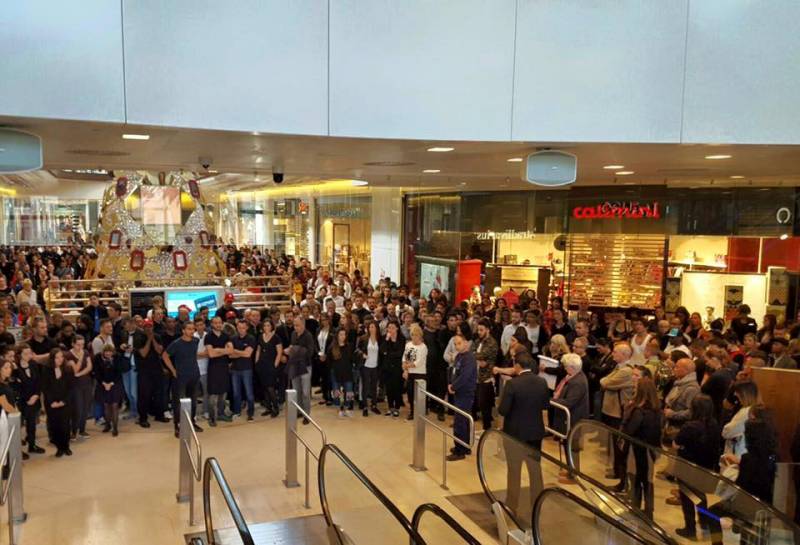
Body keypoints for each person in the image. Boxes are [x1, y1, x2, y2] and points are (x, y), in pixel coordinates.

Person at [498, 351, 549, 517]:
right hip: (535, 432)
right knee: (535, 469)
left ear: (517, 366)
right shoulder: (542, 382)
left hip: (515, 434)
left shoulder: (512, 385)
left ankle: (512, 504)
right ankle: (537, 503)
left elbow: (503, 410)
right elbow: (544, 405)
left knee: (514, 470)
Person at [673, 395, 722, 541]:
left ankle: (690, 529)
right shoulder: (714, 424)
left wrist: (682, 447)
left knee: (687, 498)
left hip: (687, 468)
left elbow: (675, 444)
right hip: (707, 469)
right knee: (705, 500)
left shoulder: (690, 427)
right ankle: (708, 527)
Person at [621, 376, 662, 518]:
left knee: (636, 479)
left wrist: (627, 411)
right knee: (648, 481)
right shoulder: (658, 410)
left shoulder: (638, 411)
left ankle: (636, 507)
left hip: (638, 449)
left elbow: (629, 430)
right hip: (652, 450)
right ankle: (649, 510)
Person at [599, 342, 635, 481]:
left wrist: (605, 381)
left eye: (615, 352)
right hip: (611, 410)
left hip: (617, 412)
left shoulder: (626, 371)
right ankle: (616, 469)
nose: (612, 354)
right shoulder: (619, 368)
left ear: (625, 355)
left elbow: (605, 382)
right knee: (613, 443)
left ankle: (619, 472)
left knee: (618, 444)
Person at [552, 353, 589, 482]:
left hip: (574, 419)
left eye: (565, 366)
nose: (564, 368)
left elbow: (569, 402)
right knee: (567, 445)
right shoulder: (572, 377)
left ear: (572, 367)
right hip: (569, 419)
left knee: (572, 447)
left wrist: (551, 401)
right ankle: (570, 470)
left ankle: (574, 475)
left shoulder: (577, 382)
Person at [162, 321, 203, 437]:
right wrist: (173, 370)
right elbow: (165, 355)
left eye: (192, 329)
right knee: (178, 403)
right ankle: (178, 426)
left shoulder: (196, 341)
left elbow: (193, 355)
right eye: (189, 329)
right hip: (180, 377)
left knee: (193, 401)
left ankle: (192, 422)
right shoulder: (176, 343)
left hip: (194, 374)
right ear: (183, 330)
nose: (191, 331)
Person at [446, 334, 477, 461]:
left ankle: (460, 450)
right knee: (462, 420)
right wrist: (450, 384)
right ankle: (464, 446)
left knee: (460, 422)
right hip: (458, 391)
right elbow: (454, 371)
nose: (457, 346)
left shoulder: (469, 358)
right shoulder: (459, 356)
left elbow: (464, 377)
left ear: (466, 343)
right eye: (455, 344)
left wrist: (453, 387)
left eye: (459, 343)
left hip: (465, 392)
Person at [134, 319, 168, 428]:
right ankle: (142, 418)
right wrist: (148, 340)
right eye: (146, 327)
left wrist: (153, 339)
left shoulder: (157, 337)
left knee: (159, 394)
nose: (149, 329)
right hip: (144, 371)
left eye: (150, 326)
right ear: (143, 327)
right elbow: (143, 353)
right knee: (144, 395)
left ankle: (159, 415)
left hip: (157, 369)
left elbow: (159, 351)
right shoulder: (138, 338)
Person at [14, 343, 45, 453]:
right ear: (19, 355)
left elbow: (38, 381)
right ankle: (18, 451)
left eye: (30, 353)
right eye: (25, 353)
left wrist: (36, 395)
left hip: (34, 399)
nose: (28, 356)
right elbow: (17, 387)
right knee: (18, 425)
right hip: (21, 401)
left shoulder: (33, 364)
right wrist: (27, 398)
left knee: (32, 425)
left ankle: (32, 445)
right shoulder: (15, 368)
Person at [42, 348, 73, 457]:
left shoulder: (68, 369)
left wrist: (63, 401)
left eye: (61, 357)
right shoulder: (46, 370)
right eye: (57, 357)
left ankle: (66, 446)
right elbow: (45, 388)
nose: (60, 359)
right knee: (55, 426)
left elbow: (70, 388)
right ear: (52, 359)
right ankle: (59, 447)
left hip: (65, 402)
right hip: (51, 403)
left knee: (65, 425)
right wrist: (52, 402)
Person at [204, 316, 233, 426]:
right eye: (216, 323)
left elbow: (230, 351)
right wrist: (224, 350)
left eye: (220, 323)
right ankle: (212, 418)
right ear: (212, 324)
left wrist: (218, 350)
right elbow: (211, 354)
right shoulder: (209, 337)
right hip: (213, 368)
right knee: (213, 394)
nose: (218, 325)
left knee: (223, 393)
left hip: (224, 367)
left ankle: (221, 414)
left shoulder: (226, 336)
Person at [663, 358, 700, 443]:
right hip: (670, 424)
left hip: (678, 429)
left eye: (677, 367)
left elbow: (691, 412)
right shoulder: (679, 383)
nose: (674, 369)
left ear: (686, 370)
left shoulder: (691, 389)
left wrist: (673, 414)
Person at [287, 316, 315, 424]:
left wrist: (294, 349)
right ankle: (299, 411)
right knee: (296, 390)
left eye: (297, 325)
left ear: (303, 325)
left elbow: (310, 352)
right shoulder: (293, 334)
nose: (295, 327)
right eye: (294, 325)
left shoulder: (308, 336)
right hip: (295, 365)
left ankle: (306, 415)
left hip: (305, 366)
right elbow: (292, 347)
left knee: (305, 392)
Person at [65, 335, 93, 439]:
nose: (80, 347)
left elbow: (89, 367)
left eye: (82, 344)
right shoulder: (68, 355)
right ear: (72, 344)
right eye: (78, 345)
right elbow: (75, 370)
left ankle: (82, 430)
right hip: (75, 386)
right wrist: (80, 358)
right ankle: (73, 430)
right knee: (78, 408)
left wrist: (80, 374)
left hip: (86, 383)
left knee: (86, 408)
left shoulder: (85, 352)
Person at [722, 381, 759, 457]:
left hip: (738, 454)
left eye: (738, 392)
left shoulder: (746, 412)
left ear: (745, 394)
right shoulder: (757, 409)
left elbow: (726, 432)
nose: (735, 394)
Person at [254, 319, 283, 418]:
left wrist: (275, 365)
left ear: (272, 326)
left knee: (270, 388)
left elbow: (279, 352)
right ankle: (268, 408)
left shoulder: (276, 337)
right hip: (261, 365)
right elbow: (258, 350)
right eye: (265, 325)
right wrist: (256, 362)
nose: (266, 327)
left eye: (268, 325)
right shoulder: (260, 336)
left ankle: (275, 408)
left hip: (271, 365)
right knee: (265, 388)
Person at [94, 344, 124, 436]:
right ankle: (107, 425)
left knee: (114, 405)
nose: (108, 353)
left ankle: (115, 428)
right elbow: (97, 372)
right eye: (106, 352)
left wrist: (111, 384)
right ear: (103, 352)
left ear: (113, 352)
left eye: (110, 352)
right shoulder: (97, 358)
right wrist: (104, 383)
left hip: (115, 384)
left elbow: (119, 372)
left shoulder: (117, 357)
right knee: (106, 405)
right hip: (103, 384)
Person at [474, 318, 498, 431]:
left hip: (486, 378)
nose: (479, 332)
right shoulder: (478, 341)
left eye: (481, 330)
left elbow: (482, 355)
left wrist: (479, 358)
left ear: (487, 330)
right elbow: (471, 351)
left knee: (485, 405)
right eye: (478, 330)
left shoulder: (492, 343)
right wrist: (479, 359)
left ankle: (487, 428)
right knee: (478, 403)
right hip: (476, 376)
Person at [229, 320, 256, 421]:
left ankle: (251, 413)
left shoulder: (251, 338)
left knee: (249, 393)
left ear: (247, 328)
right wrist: (242, 353)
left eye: (243, 328)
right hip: (235, 369)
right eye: (239, 328)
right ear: (236, 328)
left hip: (246, 369)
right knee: (236, 393)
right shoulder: (232, 338)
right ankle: (237, 411)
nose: (241, 330)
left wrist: (235, 351)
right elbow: (230, 354)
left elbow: (248, 354)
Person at [403, 324, 428, 420]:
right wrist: (405, 369)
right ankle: (412, 412)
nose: (414, 337)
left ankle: (420, 413)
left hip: (420, 373)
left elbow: (419, 362)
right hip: (410, 373)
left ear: (420, 336)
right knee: (410, 394)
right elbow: (405, 357)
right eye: (412, 335)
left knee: (419, 395)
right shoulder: (408, 345)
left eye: (416, 335)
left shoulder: (423, 347)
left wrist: (408, 366)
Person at [380, 321, 405, 417]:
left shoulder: (401, 339)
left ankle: (397, 408)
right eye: (389, 327)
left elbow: (400, 353)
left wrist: (389, 354)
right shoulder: (385, 338)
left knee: (397, 388)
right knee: (389, 388)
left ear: (397, 328)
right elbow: (382, 351)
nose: (390, 329)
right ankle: (390, 407)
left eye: (392, 327)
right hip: (387, 367)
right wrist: (387, 339)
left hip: (398, 368)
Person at [329, 328, 355, 417]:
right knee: (336, 390)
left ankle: (347, 407)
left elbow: (352, 359)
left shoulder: (350, 346)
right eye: (341, 334)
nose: (342, 336)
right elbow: (329, 361)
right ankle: (338, 408)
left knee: (349, 390)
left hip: (347, 372)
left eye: (344, 334)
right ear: (337, 336)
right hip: (335, 372)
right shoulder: (332, 347)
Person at [358, 321, 381, 417]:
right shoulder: (363, 338)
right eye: (370, 327)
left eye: (373, 327)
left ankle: (374, 405)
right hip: (366, 366)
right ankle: (365, 407)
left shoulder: (380, 339)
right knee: (365, 387)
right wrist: (362, 354)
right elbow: (357, 349)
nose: (371, 329)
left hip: (375, 366)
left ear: (376, 328)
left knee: (374, 387)